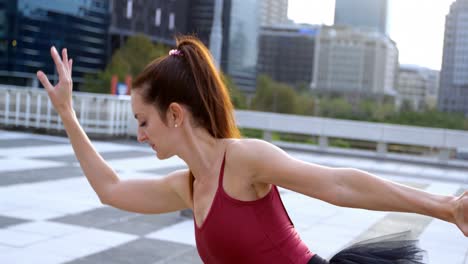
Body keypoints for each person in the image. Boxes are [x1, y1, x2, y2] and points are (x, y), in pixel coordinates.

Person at [37, 35, 467, 264]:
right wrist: (67, 114)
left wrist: (445, 206)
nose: (139, 135)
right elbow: (110, 189)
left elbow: (338, 184)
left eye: (142, 121)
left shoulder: (243, 160)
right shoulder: (187, 186)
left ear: (174, 115)